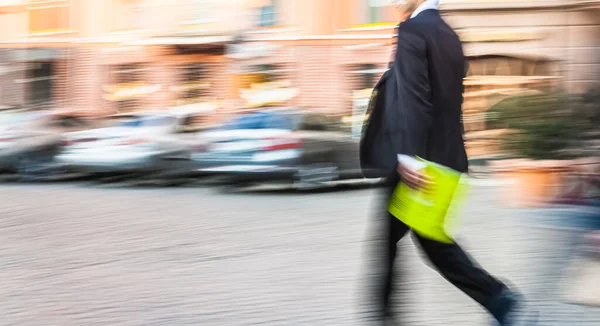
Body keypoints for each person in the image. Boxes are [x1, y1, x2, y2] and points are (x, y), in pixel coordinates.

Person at [368, 1, 539, 325]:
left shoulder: (412, 30)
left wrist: (408, 157)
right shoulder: (449, 33)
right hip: (446, 159)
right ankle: (500, 300)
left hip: (417, 164)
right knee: (426, 243)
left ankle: (500, 300)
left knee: (407, 244)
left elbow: (414, 96)